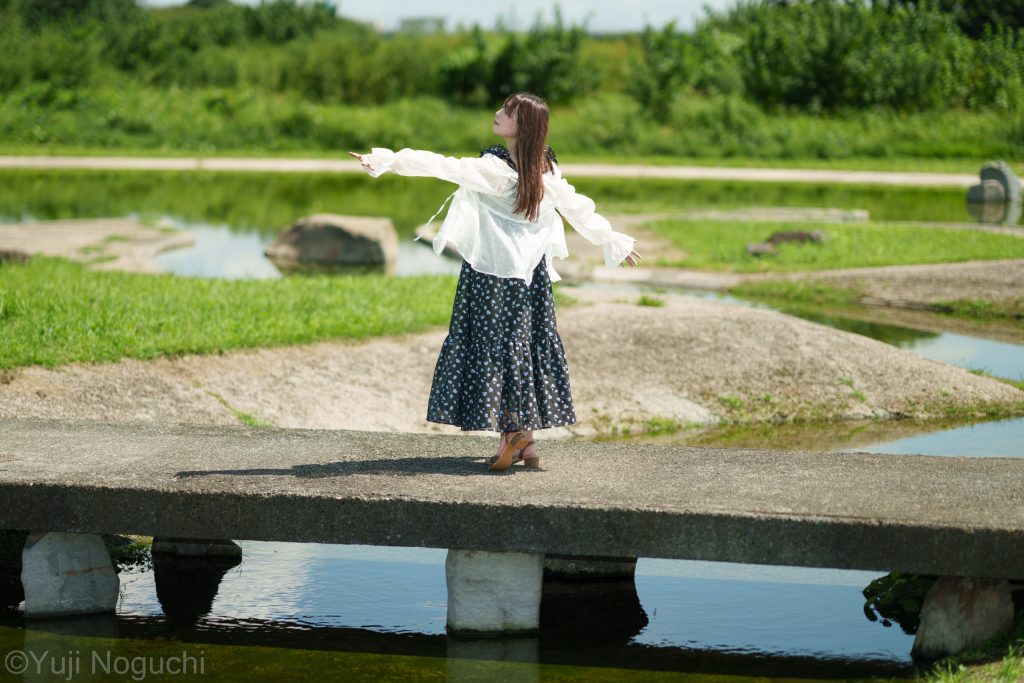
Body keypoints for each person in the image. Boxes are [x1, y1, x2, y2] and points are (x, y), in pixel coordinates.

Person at [349, 92, 642, 471]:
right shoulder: (543, 167)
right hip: (530, 277)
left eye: (508, 112)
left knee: (498, 349)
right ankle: (528, 444)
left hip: (492, 276)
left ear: (524, 126)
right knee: (526, 346)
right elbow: (576, 206)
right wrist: (611, 238)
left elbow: (443, 166)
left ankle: (513, 434)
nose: (498, 114)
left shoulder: (496, 170)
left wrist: (388, 160)